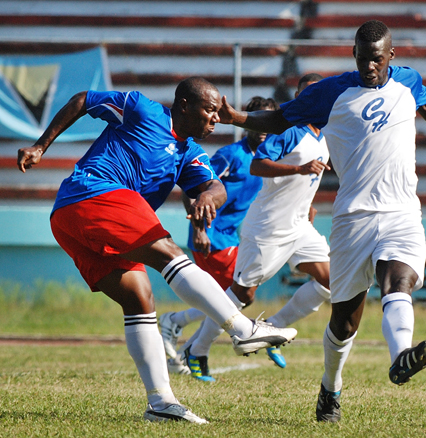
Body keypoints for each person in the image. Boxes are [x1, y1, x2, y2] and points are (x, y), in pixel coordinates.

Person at [216, 21, 426, 423]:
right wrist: (237, 118)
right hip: (352, 220)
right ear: (354, 55)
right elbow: (280, 121)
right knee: (344, 320)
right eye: (363, 59)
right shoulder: (330, 92)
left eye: (377, 60)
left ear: (391, 56)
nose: (369, 67)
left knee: (398, 281)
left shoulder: (409, 82)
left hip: (401, 212)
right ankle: (330, 389)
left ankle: (401, 356)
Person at [16, 77, 297, 424]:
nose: (215, 118)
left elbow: (215, 185)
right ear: (184, 106)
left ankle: (160, 403)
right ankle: (242, 329)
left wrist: (209, 195)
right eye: (209, 110)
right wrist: (41, 146)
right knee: (168, 251)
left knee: (140, 299)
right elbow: (82, 99)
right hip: (92, 193)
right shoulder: (140, 108)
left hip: (70, 221)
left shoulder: (190, 152)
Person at [182, 73, 332, 381]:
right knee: (243, 295)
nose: (312, 99)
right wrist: (299, 169)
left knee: (332, 281)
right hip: (268, 228)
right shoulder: (290, 130)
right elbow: (257, 164)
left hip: (300, 226)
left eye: (317, 94)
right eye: (305, 94)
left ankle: (274, 328)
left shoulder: (325, 132)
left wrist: (308, 203)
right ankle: (196, 348)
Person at [158, 96, 278, 365]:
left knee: (229, 297)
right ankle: (186, 338)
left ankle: (177, 328)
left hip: (229, 236)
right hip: (212, 236)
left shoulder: (267, 158)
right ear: (247, 122)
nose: (262, 130)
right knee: (239, 294)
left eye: (267, 123)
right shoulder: (231, 155)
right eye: (257, 122)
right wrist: (199, 228)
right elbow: (195, 188)